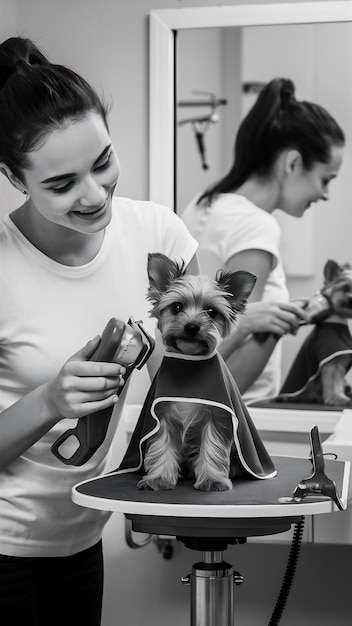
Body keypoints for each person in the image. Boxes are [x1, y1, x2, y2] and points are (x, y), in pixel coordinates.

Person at [0, 37, 198, 626]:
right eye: (62, 184)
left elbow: (186, 378)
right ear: (13, 176)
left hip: (83, 535)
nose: (94, 195)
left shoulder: (158, 234)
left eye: (103, 162)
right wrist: (50, 401)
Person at [181, 77, 345, 403]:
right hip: (231, 419)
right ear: (293, 163)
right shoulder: (256, 226)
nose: (325, 194)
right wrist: (273, 325)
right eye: (326, 179)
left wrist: (298, 310)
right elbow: (219, 358)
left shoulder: (204, 203)